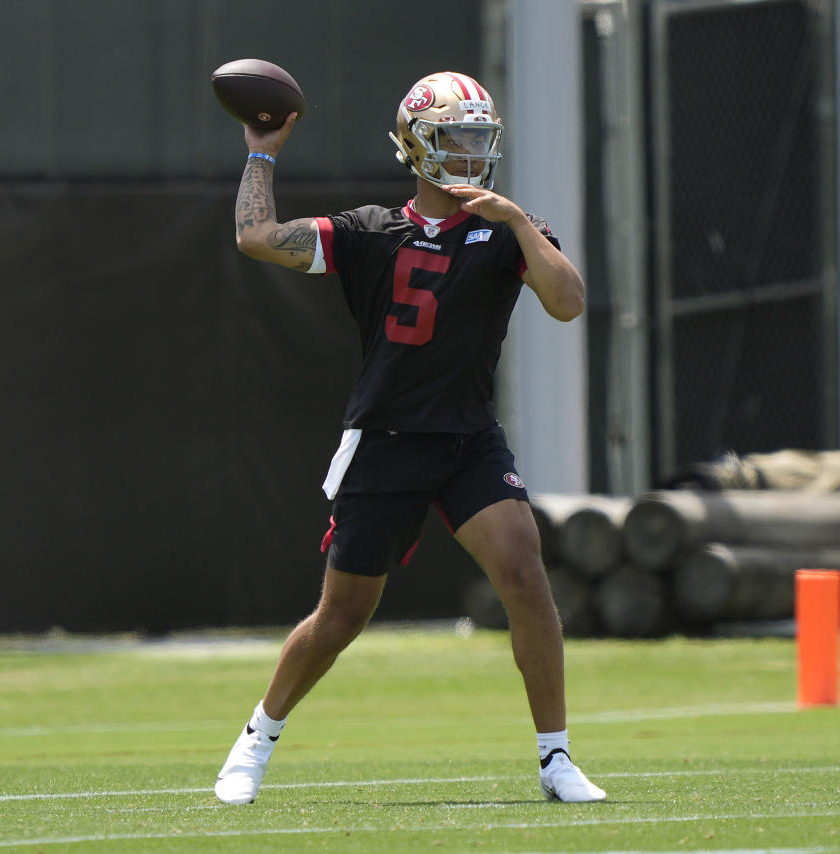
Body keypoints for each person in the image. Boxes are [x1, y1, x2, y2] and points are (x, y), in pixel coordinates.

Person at [214, 71, 606, 805]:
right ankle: (255, 741)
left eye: (477, 139)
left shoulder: (501, 232)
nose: (468, 153)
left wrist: (520, 221)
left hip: (467, 439)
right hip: (388, 440)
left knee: (524, 575)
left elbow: (569, 303)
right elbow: (256, 238)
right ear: (418, 148)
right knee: (341, 617)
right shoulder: (369, 231)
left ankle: (556, 759)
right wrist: (261, 152)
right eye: (454, 138)